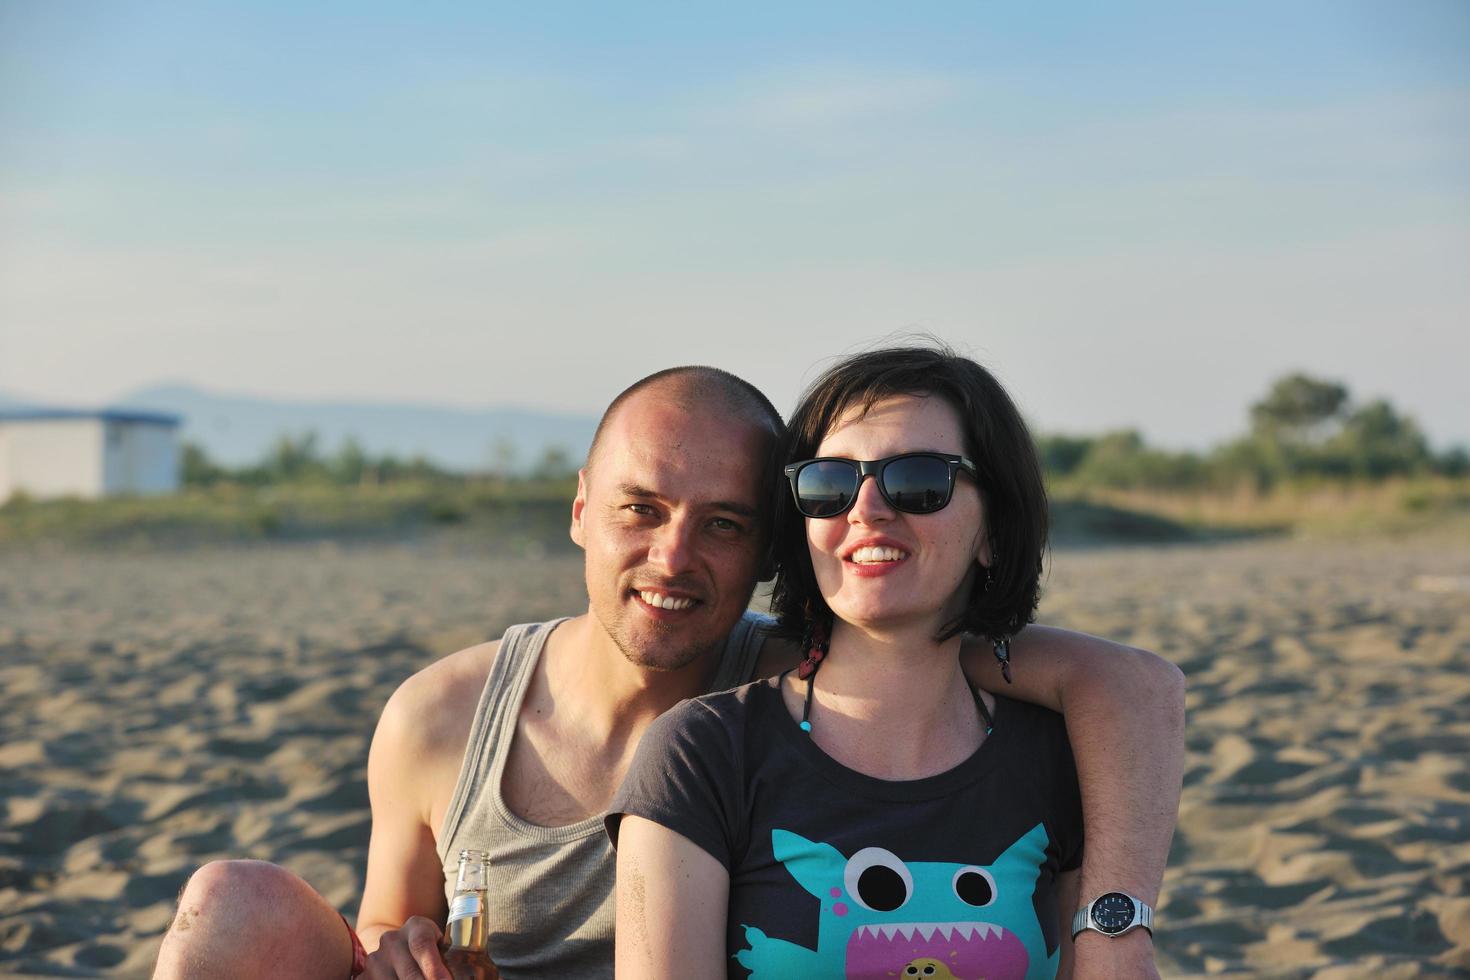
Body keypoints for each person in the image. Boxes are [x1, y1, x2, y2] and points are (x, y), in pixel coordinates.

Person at [153, 364, 1183, 980]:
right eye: (640, 509)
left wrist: (1116, 924)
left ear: (771, 545)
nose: (674, 556)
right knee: (230, 900)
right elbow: (383, 917)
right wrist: (399, 940)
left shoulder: (814, 676)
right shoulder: (442, 713)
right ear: (579, 511)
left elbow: (1125, 685)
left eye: (724, 524)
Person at [611, 347, 1167, 979]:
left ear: (993, 531)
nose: (867, 509)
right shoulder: (703, 752)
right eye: (829, 483)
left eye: (919, 480)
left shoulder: (1055, 757)